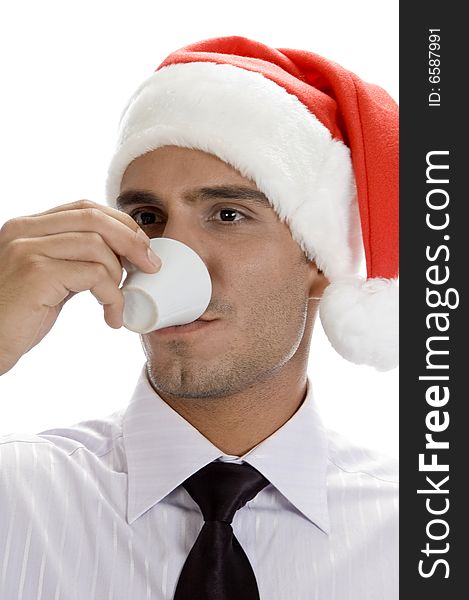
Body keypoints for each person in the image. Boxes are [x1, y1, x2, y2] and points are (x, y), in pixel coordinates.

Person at [0, 36, 398, 599]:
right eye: (146, 215)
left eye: (227, 214)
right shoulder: (17, 496)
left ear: (320, 260)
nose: (161, 260)